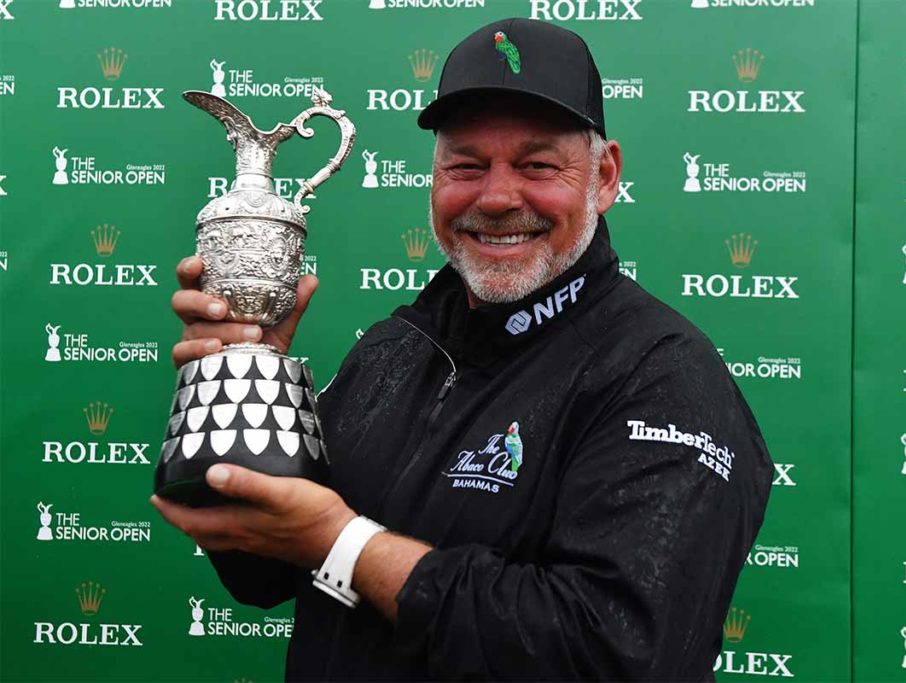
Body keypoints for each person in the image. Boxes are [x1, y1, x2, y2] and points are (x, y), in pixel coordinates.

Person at [153, 18, 773, 681]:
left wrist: (344, 544)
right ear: (434, 178)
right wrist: (246, 383)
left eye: (536, 164)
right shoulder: (395, 348)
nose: (498, 196)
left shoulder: (663, 375)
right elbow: (260, 569)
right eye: (466, 165)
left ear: (604, 177)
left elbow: (612, 654)